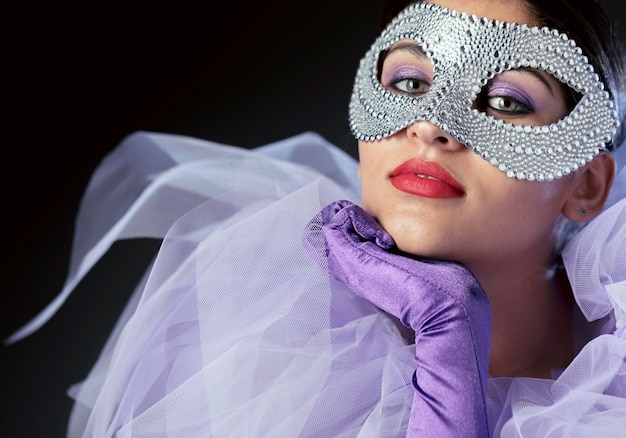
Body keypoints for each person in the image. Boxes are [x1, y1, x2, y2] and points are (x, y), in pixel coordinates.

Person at [5, 0, 625, 436]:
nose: (431, 125)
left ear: (588, 183)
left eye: (506, 100)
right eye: (409, 82)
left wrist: (452, 340)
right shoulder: (269, 357)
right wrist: (446, 337)